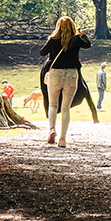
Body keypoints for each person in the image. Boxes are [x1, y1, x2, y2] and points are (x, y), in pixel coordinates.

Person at [39, 16, 91, 147]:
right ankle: (62, 139)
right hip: (72, 74)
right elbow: (88, 45)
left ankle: (52, 130)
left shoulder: (53, 40)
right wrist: (82, 35)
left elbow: (42, 52)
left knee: (53, 105)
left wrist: (51, 42)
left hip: (55, 73)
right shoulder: (77, 40)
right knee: (66, 107)